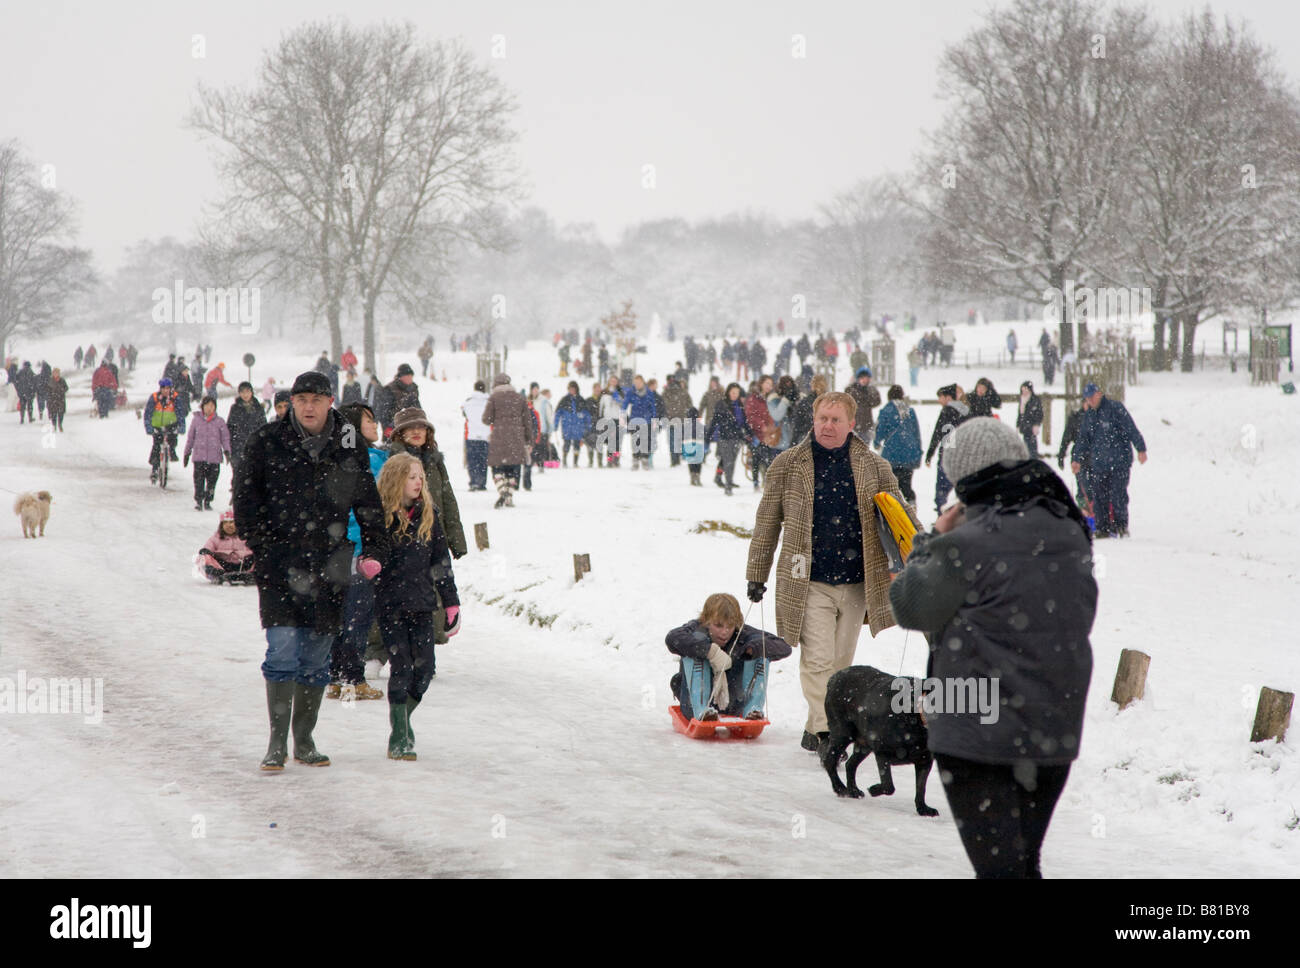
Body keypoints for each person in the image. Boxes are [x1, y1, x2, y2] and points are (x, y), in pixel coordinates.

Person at [888, 417, 1096, 878]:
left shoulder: (968, 542)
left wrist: (932, 540)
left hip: (978, 737)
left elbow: (910, 606)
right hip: (1052, 731)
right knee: (1022, 863)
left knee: (1000, 871)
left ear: (965, 479)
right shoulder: (1068, 528)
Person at [233, 371, 391, 771]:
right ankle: (275, 742)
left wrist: (373, 543)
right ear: (291, 402)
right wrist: (262, 546)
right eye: (301, 398)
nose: (308, 406)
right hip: (280, 563)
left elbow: (366, 497)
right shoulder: (266, 441)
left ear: (330, 402)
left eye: (316, 399)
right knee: (282, 649)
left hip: (331, 561)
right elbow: (245, 498)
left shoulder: (349, 443)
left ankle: (303, 739)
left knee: (318, 654)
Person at [746, 391, 918, 753]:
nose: (827, 425)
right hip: (806, 580)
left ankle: (815, 726)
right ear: (813, 419)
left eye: (836, 420)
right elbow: (766, 524)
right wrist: (756, 573)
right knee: (818, 660)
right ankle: (827, 734)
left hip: (857, 582)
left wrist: (920, 559)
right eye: (822, 418)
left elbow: (902, 516)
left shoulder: (874, 467)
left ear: (852, 424)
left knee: (840, 666)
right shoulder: (788, 465)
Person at [373, 453, 460, 759]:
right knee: (402, 667)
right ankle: (398, 735)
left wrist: (451, 603)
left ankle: (403, 718)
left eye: (421, 476)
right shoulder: (381, 516)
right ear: (397, 479)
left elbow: (441, 562)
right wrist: (368, 568)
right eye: (412, 476)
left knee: (425, 670)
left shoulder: (429, 514)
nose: (419, 482)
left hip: (422, 604)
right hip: (391, 605)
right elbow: (369, 555)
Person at [330, 402, 389, 702]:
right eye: (368, 420)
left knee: (341, 615)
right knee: (358, 614)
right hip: (360, 548)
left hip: (340, 546)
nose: (375, 424)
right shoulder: (371, 459)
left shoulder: (338, 456)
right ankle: (352, 677)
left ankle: (335, 677)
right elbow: (371, 506)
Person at [666, 593, 793, 721]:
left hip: (733, 701)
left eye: (730, 626)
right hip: (691, 702)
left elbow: (784, 647)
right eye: (719, 625)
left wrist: (751, 649)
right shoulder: (697, 627)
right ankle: (701, 710)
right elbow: (672, 638)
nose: (724, 632)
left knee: (760, 648)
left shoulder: (741, 634)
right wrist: (710, 651)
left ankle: (753, 709)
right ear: (706, 620)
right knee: (695, 643)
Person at [388, 407, 468, 561]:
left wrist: (456, 541)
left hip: (436, 537)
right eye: (410, 427)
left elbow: (448, 500)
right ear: (400, 433)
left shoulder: (434, 461)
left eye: (421, 427)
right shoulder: (392, 461)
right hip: (406, 539)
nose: (416, 431)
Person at [1070, 383, 1147, 539]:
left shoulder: (1115, 409)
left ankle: (1121, 526)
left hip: (1119, 461)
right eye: (1087, 399)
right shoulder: (1090, 415)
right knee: (1099, 496)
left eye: (1092, 397)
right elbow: (1083, 439)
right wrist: (1076, 458)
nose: (1090, 401)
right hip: (1099, 463)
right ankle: (1102, 528)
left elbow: (1131, 428)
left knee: (1118, 495)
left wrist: (1141, 448)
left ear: (1099, 394)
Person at [481, 372, 533, 508]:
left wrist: (497, 417)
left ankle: (502, 490)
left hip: (499, 437)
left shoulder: (493, 398)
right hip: (516, 438)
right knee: (512, 469)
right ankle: (509, 496)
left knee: (497, 468)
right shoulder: (520, 398)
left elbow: (486, 419)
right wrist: (529, 440)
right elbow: (527, 421)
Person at [925, 384, 970, 514]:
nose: (939, 400)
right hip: (962, 455)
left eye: (941, 397)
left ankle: (942, 517)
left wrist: (930, 453)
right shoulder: (966, 411)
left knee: (942, 489)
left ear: (948, 397)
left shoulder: (946, 411)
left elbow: (938, 433)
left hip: (948, 455)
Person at [873, 385, 923, 504]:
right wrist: (918, 451)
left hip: (891, 454)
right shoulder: (909, 410)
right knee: (906, 485)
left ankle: (893, 512)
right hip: (909, 454)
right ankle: (911, 506)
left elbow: (880, 429)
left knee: (890, 487)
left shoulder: (886, 410)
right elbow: (916, 432)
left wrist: (876, 443)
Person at [184, 395, 232, 511]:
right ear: (202, 407)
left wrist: (227, 451)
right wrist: (187, 452)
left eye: (212, 406)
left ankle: (208, 500)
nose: (209, 408)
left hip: (214, 458)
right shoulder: (196, 420)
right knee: (199, 480)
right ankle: (199, 500)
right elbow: (190, 437)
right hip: (199, 457)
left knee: (212, 481)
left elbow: (225, 438)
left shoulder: (220, 422)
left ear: (215, 407)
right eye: (207, 405)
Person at [704, 382, 749, 495]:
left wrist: (749, 434)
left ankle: (724, 479)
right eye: (733, 392)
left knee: (731, 461)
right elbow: (715, 421)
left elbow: (744, 422)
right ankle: (728, 485)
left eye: (737, 393)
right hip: (724, 436)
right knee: (728, 460)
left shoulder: (739, 405)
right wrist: (708, 437)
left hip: (737, 437)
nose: (735, 395)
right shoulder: (722, 404)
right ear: (728, 392)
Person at [199, 510, 256, 585]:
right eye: (225, 523)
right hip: (223, 565)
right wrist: (206, 552)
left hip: (244, 564)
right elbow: (208, 548)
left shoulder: (244, 537)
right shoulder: (216, 538)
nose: (229, 525)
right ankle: (217, 574)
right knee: (205, 557)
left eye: (232, 523)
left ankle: (252, 574)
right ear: (221, 526)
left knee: (258, 556)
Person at [227, 381, 268, 481]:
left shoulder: (258, 408)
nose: (245, 394)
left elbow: (264, 428)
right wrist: (230, 445)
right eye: (242, 392)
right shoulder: (235, 408)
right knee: (238, 476)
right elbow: (230, 427)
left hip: (254, 447)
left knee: (254, 476)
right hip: (238, 446)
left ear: (251, 392)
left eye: (247, 391)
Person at [143, 379, 180, 482]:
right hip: (157, 426)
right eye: (163, 388)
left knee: (173, 439)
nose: (165, 390)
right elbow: (148, 413)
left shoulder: (175, 398)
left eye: (168, 388)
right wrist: (149, 427)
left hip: (171, 425)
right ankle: (154, 469)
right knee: (156, 446)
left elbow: (180, 413)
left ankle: (172, 451)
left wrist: (181, 427)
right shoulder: (154, 398)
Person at [623, 374, 658, 471]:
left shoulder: (649, 392)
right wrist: (623, 411)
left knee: (645, 440)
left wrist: (654, 417)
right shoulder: (631, 392)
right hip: (635, 419)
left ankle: (645, 459)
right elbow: (625, 403)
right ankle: (635, 460)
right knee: (635, 440)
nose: (637, 384)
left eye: (639, 383)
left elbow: (652, 406)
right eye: (635, 383)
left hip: (646, 419)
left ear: (643, 382)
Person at [461, 380, 491, 490]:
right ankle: (482, 482)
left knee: (472, 460)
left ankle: (473, 481)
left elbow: (464, 413)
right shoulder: (488, 402)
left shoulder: (468, 402)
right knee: (483, 460)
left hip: (471, 435)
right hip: (485, 435)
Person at [555, 381, 593, 467]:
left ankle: (575, 462)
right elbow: (558, 413)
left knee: (577, 445)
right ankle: (564, 460)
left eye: (573, 389)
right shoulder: (564, 400)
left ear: (576, 389)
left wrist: (588, 425)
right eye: (570, 389)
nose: (571, 390)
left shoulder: (581, 400)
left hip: (578, 427)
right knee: (566, 444)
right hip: (567, 426)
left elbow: (587, 414)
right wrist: (556, 424)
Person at [382, 364, 421, 436]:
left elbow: (417, 406)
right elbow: (385, 411)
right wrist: (386, 427)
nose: (410, 378)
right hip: (394, 425)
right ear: (401, 377)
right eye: (407, 376)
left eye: (411, 376)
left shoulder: (414, 388)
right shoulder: (390, 389)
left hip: (411, 425)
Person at [847, 366, 881, 441]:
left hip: (866, 425)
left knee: (864, 447)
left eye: (866, 378)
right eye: (862, 378)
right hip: (854, 426)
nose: (864, 381)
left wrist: (870, 391)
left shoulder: (870, 390)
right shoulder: (852, 389)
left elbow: (877, 401)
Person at [1016, 381, 1044, 457]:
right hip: (1024, 426)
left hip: (1031, 425)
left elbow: (1039, 414)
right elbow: (1020, 414)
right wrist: (1018, 425)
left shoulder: (1035, 400)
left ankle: (1033, 458)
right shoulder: (1022, 399)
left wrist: (1036, 424)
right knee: (1026, 444)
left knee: (1031, 445)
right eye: (1023, 389)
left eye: (1026, 389)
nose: (1024, 391)